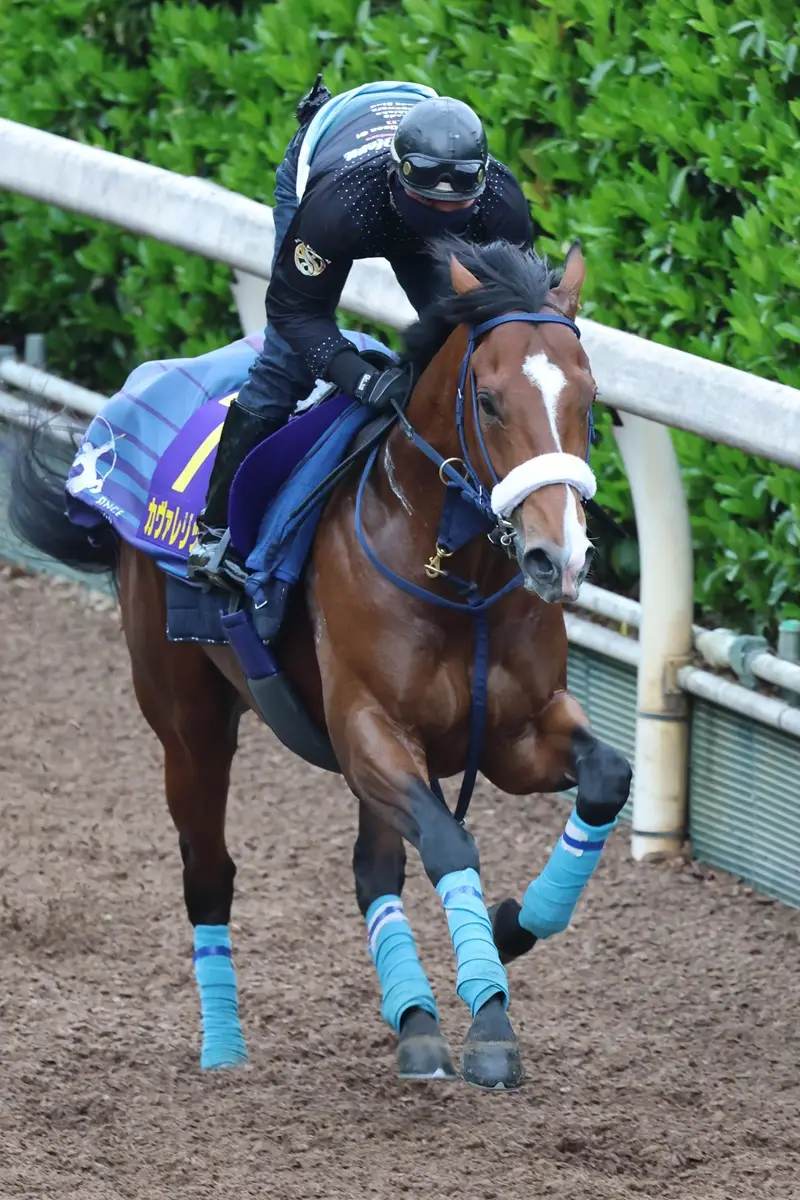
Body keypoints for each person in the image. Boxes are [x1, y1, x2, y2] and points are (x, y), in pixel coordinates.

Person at [188, 76, 534, 585]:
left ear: (478, 183)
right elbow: (294, 312)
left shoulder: (501, 203)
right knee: (285, 365)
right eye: (428, 204)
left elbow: (514, 329)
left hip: (397, 182)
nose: (440, 219)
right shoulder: (340, 204)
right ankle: (215, 531)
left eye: (453, 206)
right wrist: (362, 378)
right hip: (334, 168)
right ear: (398, 178)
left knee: (468, 347)